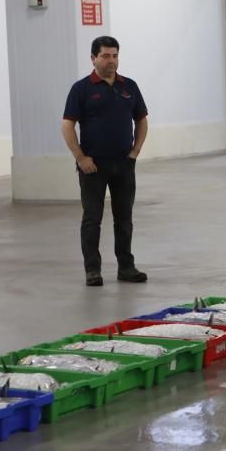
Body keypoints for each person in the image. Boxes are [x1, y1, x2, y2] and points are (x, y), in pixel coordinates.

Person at [61, 36, 149, 287]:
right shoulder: (82, 89)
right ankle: (92, 270)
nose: (111, 61)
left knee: (124, 218)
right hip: (93, 166)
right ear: (93, 58)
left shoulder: (129, 86)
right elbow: (67, 124)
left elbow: (141, 119)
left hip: (123, 163)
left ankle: (126, 267)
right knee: (92, 219)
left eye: (115, 55)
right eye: (106, 56)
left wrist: (135, 151)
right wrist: (80, 157)